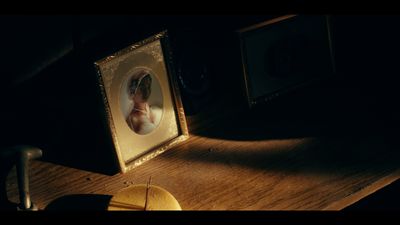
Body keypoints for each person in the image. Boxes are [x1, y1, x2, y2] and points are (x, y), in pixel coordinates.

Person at [125, 70, 162, 135]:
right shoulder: (132, 118)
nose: (143, 92)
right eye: (138, 91)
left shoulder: (149, 108)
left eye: (143, 89)